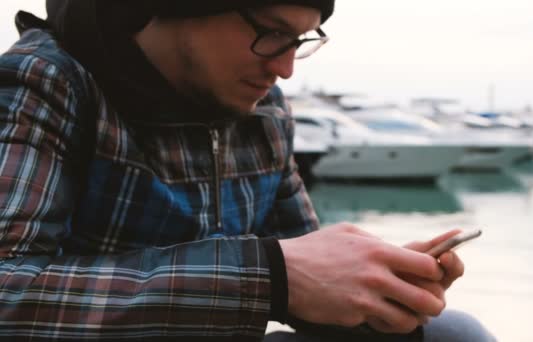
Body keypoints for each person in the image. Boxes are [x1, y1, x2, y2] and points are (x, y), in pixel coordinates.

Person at [0, 0, 495, 341]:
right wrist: (269, 280)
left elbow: (308, 283)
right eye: (272, 32)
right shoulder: (46, 80)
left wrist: (378, 297)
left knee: (453, 333)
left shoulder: (267, 110)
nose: (285, 69)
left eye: (300, 39)